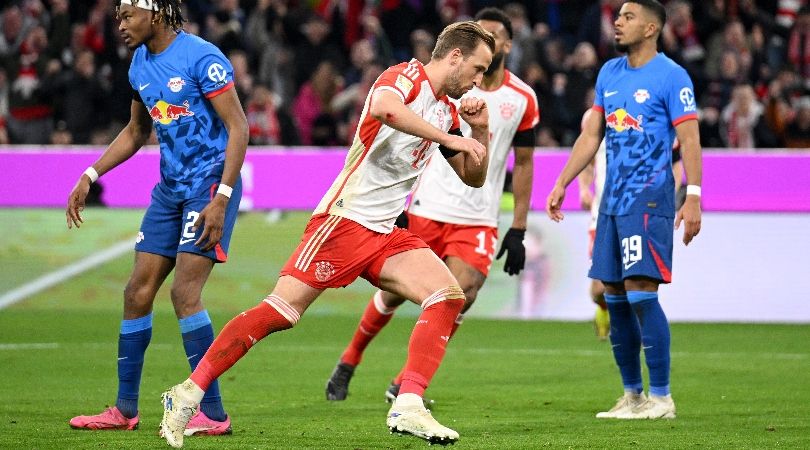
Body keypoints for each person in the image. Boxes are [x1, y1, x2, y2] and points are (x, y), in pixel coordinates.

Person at [158, 21, 495, 448]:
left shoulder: (446, 110)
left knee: (447, 296)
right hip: (343, 222)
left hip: (386, 232)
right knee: (280, 312)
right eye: (479, 68)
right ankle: (187, 393)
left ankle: (409, 403)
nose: (480, 80)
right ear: (455, 57)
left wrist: (478, 133)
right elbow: (385, 110)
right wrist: (453, 137)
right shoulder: (403, 77)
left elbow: (474, 179)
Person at [324, 7, 539, 405]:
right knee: (392, 296)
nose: (486, 43)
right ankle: (349, 359)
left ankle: (406, 382)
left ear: (506, 44)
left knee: (461, 292)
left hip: (478, 216)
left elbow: (523, 163)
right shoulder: (451, 88)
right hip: (428, 206)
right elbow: (408, 140)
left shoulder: (522, 98)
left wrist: (519, 226)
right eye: (479, 37)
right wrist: (402, 203)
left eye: (493, 36)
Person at [65, 0, 248, 436]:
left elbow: (239, 127)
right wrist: (90, 174)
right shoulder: (138, 65)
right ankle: (125, 409)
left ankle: (214, 414)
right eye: (118, 17)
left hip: (208, 187)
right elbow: (136, 132)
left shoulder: (202, 58)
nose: (120, 25)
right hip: (169, 190)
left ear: (157, 14)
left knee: (185, 293)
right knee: (136, 291)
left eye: (127, 16)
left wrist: (221, 198)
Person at [546, 0, 702, 420]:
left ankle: (663, 398)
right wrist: (562, 181)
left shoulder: (672, 76)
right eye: (618, 16)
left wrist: (694, 195)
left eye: (628, 17)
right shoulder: (609, 74)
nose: (617, 22)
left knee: (641, 292)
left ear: (651, 28)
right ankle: (633, 397)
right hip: (610, 203)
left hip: (648, 200)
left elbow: (689, 139)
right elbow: (591, 133)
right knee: (613, 296)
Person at [577, 113, 685, 341]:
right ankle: (604, 309)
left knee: (633, 284)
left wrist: (670, 193)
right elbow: (585, 158)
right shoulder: (593, 116)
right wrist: (584, 188)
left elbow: (675, 162)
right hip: (603, 214)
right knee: (599, 289)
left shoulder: (657, 115)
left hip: (639, 213)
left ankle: (632, 338)